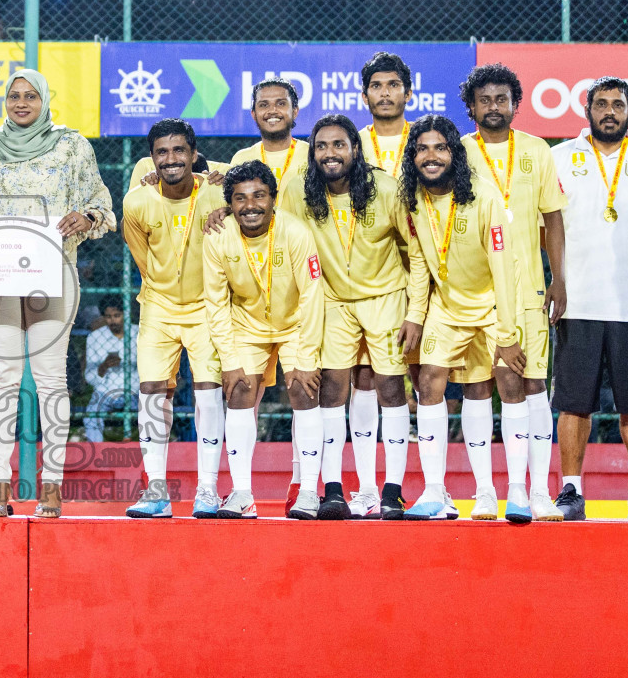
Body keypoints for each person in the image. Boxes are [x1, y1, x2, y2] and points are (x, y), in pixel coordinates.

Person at [0, 68, 116, 519]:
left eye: (30, 96)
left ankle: (52, 486)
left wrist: (86, 217)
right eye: (14, 96)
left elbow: (102, 204)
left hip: (52, 275)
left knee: (50, 380)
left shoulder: (71, 145)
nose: (21, 103)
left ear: (44, 100)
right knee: (2, 379)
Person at [549, 76, 628, 521]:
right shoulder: (558, 158)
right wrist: (556, 282)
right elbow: (548, 227)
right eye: (601, 104)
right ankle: (570, 490)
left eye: (617, 104)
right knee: (573, 402)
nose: (609, 111)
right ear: (587, 111)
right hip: (576, 302)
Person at [285, 114, 413, 519]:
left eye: (339, 144)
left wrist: (417, 307)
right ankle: (334, 490)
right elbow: (269, 225)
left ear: (355, 149)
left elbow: (415, 248)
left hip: (386, 297)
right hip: (334, 302)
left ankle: (391, 491)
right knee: (332, 392)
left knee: (390, 391)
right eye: (321, 146)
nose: (330, 153)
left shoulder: (386, 188)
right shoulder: (298, 191)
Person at [398, 115, 525, 520]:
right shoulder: (413, 200)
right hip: (447, 308)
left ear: (454, 152)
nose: (430, 156)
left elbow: (505, 270)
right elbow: (419, 263)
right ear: (412, 156)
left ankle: (515, 491)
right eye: (421, 149)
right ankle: (437, 492)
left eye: (440, 147)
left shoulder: (483, 198)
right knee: (429, 380)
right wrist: (416, 315)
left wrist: (507, 332)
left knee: (506, 380)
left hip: (492, 305)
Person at [459, 63, 568, 521]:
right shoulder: (458, 151)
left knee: (533, 385)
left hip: (527, 288)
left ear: (515, 105)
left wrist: (558, 277)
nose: (494, 106)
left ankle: (534, 491)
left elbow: (555, 217)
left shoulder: (538, 150)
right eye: (484, 100)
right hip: (474, 292)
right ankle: (486, 491)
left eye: (501, 99)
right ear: (471, 107)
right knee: (480, 385)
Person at [202, 158, 325, 519]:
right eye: (239, 198)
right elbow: (215, 302)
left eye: (259, 196)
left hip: (296, 325)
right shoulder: (217, 236)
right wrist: (229, 359)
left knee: (304, 388)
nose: (250, 205)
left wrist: (306, 356)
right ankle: (242, 495)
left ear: (273, 199)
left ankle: (308, 493)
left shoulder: (297, 232)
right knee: (240, 388)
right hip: (246, 326)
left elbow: (312, 295)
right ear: (230, 204)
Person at [121, 118, 228, 517]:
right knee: (150, 391)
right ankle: (156, 491)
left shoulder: (218, 192)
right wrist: (165, 286)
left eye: (179, 150)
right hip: (159, 306)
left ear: (194, 154)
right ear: (151, 159)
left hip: (207, 307)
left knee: (208, 393)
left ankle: (207, 490)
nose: (171, 159)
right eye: (162, 152)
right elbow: (142, 257)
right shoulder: (137, 201)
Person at [352, 51, 416, 506]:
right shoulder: (347, 145)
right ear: (365, 94)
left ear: (407, 93)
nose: (386, 93)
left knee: (427, 378)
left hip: (425, 273)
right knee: (363, 377)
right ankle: (368, 488)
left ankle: (431, 486)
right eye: (377, 86)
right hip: (367, 280)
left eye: (394, 85)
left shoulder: (428, 141)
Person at [82, 301, 139, 443]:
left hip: (135, 389)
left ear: (126, 314)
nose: (112, 320)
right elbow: (89, 376)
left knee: (153, 413)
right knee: (90, 416)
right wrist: (103, 367)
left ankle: (147, 452)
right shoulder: (95, 338)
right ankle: (96, 455)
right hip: (104, 390)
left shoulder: (139, 333)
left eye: (117, 315)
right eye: (108, 317)